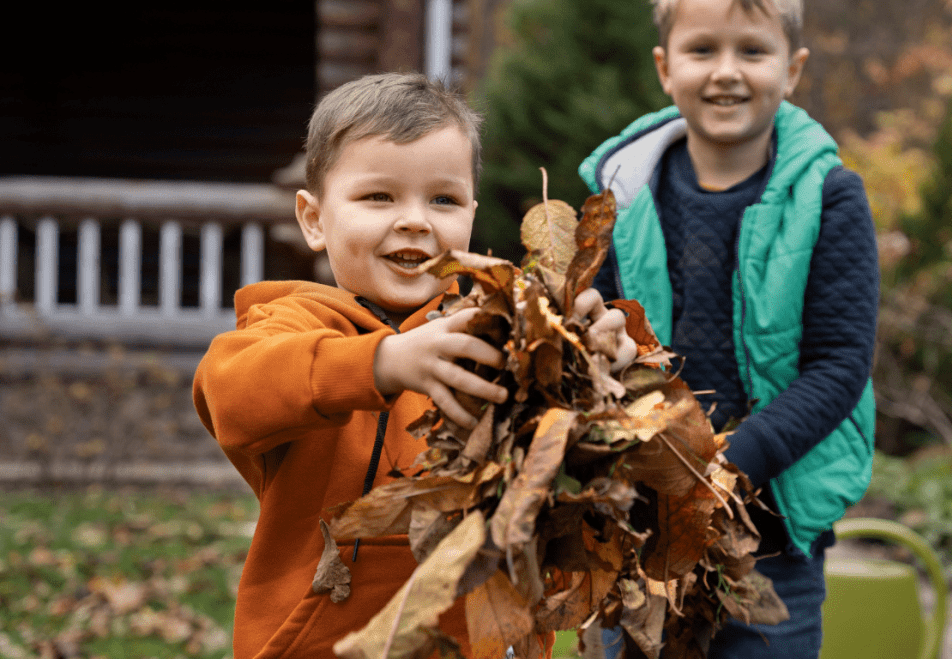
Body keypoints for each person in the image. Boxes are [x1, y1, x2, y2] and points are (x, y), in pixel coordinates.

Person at [194, 72, 632, 659]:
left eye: (443, 200)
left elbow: (592, 451)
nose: (416, 220)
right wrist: (381, 364)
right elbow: (230, 393)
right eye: (379, 196)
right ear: (314, 219)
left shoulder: (500, 330)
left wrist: (605, 363)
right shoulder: (292, 326)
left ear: (472, 214)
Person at [578, 0, 879, 656]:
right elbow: (593, 325)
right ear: (664, 67)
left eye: (752, 51)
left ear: (793, 68)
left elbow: (840, 363)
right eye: (702, 50)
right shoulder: (620, 193)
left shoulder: (828, 196)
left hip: (769, 526)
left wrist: (727, 468)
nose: (726, 72)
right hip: (641, 519)